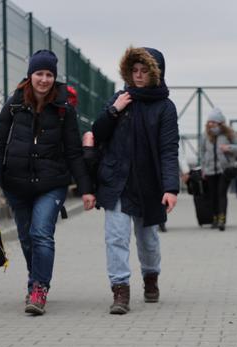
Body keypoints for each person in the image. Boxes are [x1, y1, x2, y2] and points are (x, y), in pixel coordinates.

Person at [0, 50, 95, 316]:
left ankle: (40, 287)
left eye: (49, 74)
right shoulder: (14, 105)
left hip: (51, 183)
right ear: (30, 75)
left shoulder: (65, 109)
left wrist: (86, 190)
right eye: (39, 73)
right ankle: (35, 280)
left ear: (55, 78)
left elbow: (75, 153)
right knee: (26, 237)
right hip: (16, 184)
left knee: (41, 233)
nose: (44, 79)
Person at [92, 46, 179, 315]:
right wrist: (114, 111)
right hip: (116, 181)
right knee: (115, 237)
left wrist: (171, 188)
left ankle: (151, 278)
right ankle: (120, 291)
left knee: (148, 239)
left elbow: (168, 149)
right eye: (134, 71)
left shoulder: (165, 107)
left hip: (148, 184)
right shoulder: (121, 98)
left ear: (155, 73)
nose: (138, 76)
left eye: (144, 71)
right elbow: (98, 133)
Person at [198, 108, 237, 231]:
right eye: (209, 122)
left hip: (225, 170)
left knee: (221, 193)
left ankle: (222, 219)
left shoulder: (229, 134)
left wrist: (229, 147)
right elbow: (202, 152)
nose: (210, 124)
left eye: (213, 122)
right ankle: (215, 218)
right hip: (210, 170)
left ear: (220, 123)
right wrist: (203, 168)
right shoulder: (205, 135)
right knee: (212, 195)